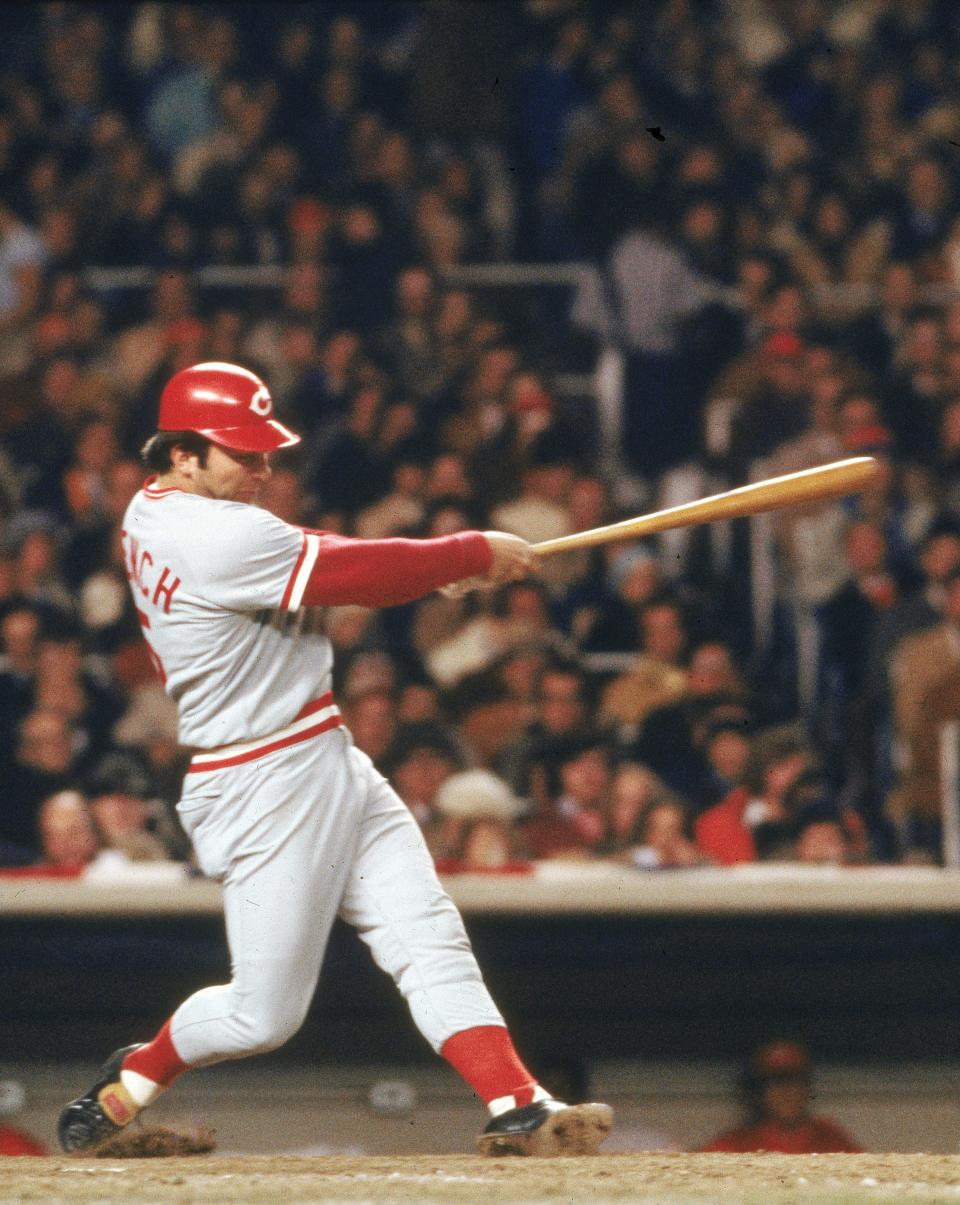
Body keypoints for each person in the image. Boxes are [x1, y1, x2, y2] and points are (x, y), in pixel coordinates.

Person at [57, 362, 612, 1157]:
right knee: (262, 1014)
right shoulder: (202, 530)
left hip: (320, 748)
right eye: (241, 453)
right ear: (181, 455)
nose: (262, 467)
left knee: (427, 931)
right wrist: (465, 553)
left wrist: (440, 569)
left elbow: (320, 552)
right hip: (261, 777)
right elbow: (352, 570)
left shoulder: (166, 510)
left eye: (263, 452)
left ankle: (517, 1100)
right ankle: (136, 1071)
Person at [701, 1040, 862, 1154]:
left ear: (807, 1086)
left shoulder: (828, 1136)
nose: (787, 1092)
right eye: (777, 1082)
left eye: (795, 1080)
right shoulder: (737, 1142)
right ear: (759, 1091)